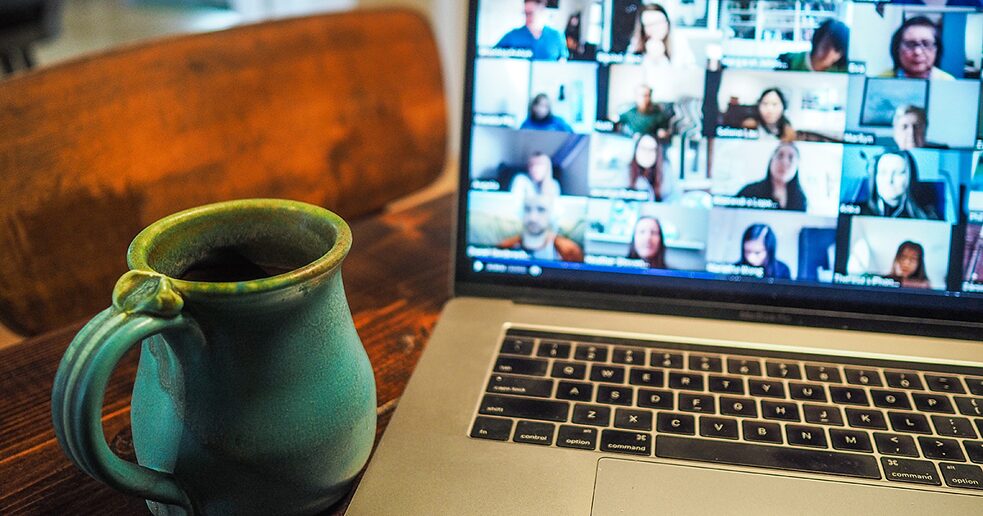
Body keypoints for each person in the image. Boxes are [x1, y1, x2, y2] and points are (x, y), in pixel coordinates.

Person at [497, 192, 584, 262]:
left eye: (541, 209)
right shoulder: (505, 248)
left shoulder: (571, 252)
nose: (533, 217)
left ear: (552, 214)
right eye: (527, 209)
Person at [860, 151, 941, 220]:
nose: (889, 180)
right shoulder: (858, 211)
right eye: (883, 172)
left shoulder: (926, 216)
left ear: (910, 177)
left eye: (898, 173)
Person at [736, 142, 807, 211]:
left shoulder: (800, 199)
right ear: (771, 160)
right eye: (780, 156)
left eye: (791, 158)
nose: (784, 162)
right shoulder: (749, 191)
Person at [879, 16, 954, 80]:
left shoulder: (948, 82)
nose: (917, 52)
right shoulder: (880, 80)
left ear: (937, 49)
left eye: (926, 44)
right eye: (910, 44)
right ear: (897, 48)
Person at [495, 0, 568, 61]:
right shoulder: (512, 36)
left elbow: (562, 62)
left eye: (530, 13)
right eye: (525, 14)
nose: (527, 18)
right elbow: (492, 56)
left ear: (541, 10)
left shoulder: (557, 36)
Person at [777, 19, 850, 73]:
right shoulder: (789, 61)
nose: (829, 53)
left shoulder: (842, 72)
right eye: (826, 45)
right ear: (817, 40)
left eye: (836, 50)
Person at [628, 134, 673, 202]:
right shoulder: (625, 173)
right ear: (636, 150)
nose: (647, 153)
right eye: (643, 148)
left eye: (651, 150)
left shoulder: (666, 172)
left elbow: (674, 200)